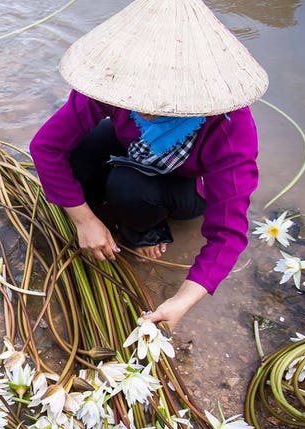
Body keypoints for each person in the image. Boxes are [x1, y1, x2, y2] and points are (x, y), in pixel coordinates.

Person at [30, 0, 268, 331]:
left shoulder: (230, 126)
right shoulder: (116, 82)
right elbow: (46, 146)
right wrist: (84, 220)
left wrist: (182, 299)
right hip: (132, 147)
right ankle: (101, 214)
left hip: (184, 186)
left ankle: (144, 231)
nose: (147, 107)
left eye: (162, 99)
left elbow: (228, 233)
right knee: (81, 150)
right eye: (141, 95)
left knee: (128, 187)